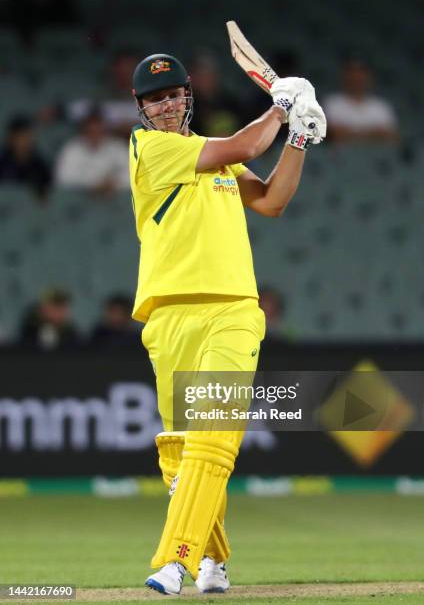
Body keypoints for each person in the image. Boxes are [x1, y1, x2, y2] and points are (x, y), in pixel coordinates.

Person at [128, 53, 326, 595]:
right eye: (155, 100)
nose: (166, 107)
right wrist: (282, 108)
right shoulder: (153, 149)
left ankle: (178, 560)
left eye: (173, 96)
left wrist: (299, 139)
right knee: (180, 452)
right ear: (142, 109)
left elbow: (272, 200)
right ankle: (215, 558)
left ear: (188, 98)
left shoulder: (216, 159)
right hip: (168, 314)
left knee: (213, 438)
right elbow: (243, 145)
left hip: (234, 311)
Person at [55, 109, 130, 198]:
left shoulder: (118, 146)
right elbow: (64, 178)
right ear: (83, 131)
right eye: (91, 131)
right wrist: (94, 184)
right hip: (81, 196)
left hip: (115, 195)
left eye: (99, 131)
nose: (95, 135)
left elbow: (131, 174)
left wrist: (115, 183)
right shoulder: (72, 148)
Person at [323, 57, 399, 143]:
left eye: (361, 72)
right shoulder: (332, 102)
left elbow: (391, 137)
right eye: (352, 72)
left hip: (377, 155)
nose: (356, 77)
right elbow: (333, 134)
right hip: (340, 155)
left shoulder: (381, 106)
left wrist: (349, 132)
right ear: (344, 75)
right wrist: (374, 133)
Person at [0, 115, 51, 201]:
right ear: (11, 138)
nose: (25, 140)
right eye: (21, 136)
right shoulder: (2, 163)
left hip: (31, 211)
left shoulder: (39, 165)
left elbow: (48, 194)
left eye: (28, 136)